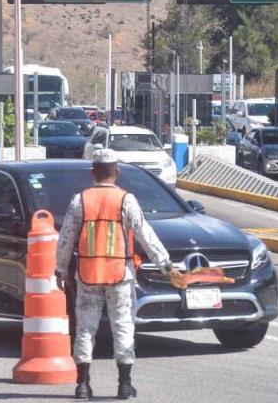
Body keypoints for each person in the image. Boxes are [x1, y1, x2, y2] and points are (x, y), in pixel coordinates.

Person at [55, 148, 185, 400]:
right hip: (120, 276)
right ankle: (124, 385)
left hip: (87, 274)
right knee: (123, 327)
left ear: (93, 173)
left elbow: (66, 239)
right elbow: (147, 236)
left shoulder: (80, 200)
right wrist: (167, 267)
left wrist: (60, 269)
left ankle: (82, 385)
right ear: (118, 172)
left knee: (85, 329)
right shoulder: (127, 200)